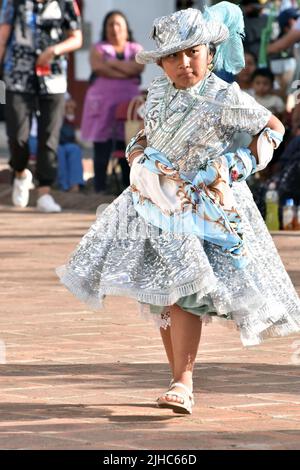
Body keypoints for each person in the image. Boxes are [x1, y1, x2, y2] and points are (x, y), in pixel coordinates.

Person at [57, 3, 300, 415]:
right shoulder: (157, 92)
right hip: (154, 201)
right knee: (167, 294)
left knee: (188, 287)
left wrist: (231, 165)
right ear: (162, 63)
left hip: (204, 207)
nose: (183, 63)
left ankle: (183, 381)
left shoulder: (225, 96)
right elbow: (149, 134)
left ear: (209, 52)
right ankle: (177, 377)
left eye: (192, 52)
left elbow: (272, 127)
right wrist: (138, 153)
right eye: (172, 56)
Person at [0, 0, 82, 212]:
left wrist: (54, 50)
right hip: (17, 75)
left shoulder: (66, 3)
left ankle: (44, 192)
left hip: (53, 77)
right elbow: (3, 36)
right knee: (18, 136)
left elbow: (76, 38)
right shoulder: (13, 3)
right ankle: (20, 172)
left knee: (49, 137)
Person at [80, 10, 144, 194]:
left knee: (128, 147)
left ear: (126, 29)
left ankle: (128, 188)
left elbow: (137, 67)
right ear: (105, 28)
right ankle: (99, 188)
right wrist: (125, 70)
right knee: (101, 148)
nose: (114, 29)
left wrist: (111, 63)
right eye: (110, 24)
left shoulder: (135, 48)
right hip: (102, 105)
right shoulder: (98, 48)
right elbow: (99, 68)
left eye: (118, 24)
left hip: (128, 106)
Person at [57, 97, 84, 192]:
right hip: (53, 141)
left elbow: (78, 138)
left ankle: (75, 184)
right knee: (59, 151)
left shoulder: (73, 118)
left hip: (68, 141)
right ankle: (63, 185)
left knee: (75, 149)